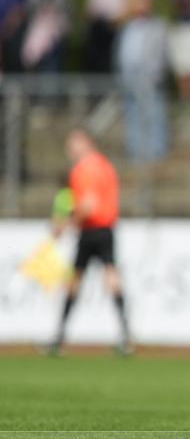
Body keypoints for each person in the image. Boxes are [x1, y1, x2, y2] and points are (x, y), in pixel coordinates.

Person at [49, 129, 131, 355]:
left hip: (91, 230)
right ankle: (125, 335)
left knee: (77, 281)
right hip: (107, 229)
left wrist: (69, 223)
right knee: (110, 276)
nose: (70, 150)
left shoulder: (84, 169)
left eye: (73, 145)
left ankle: (59, 337)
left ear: (87, 143)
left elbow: (88, 204)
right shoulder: (106, 165)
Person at [115, 0, 169, 161]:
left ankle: (157, 153)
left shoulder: (158, 27)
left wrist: (154, 76)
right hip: (130, 79)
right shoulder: (128, 28)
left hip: (151, 79)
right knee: (133, 116)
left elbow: (161, 55)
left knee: (154, 116)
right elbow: (123, 54)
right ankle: (135, 153)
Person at [85, 0, 135, 74]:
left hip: (115, 26)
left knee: (112, 61)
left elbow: (128, 4)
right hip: (98, 25)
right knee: (96, 61)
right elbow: (91, 5)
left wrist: (118, 20)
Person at [22, 0, 72, 73]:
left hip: (56, 36)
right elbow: (29, 10)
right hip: (36, 34)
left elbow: (66, 13)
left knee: (52, 67)